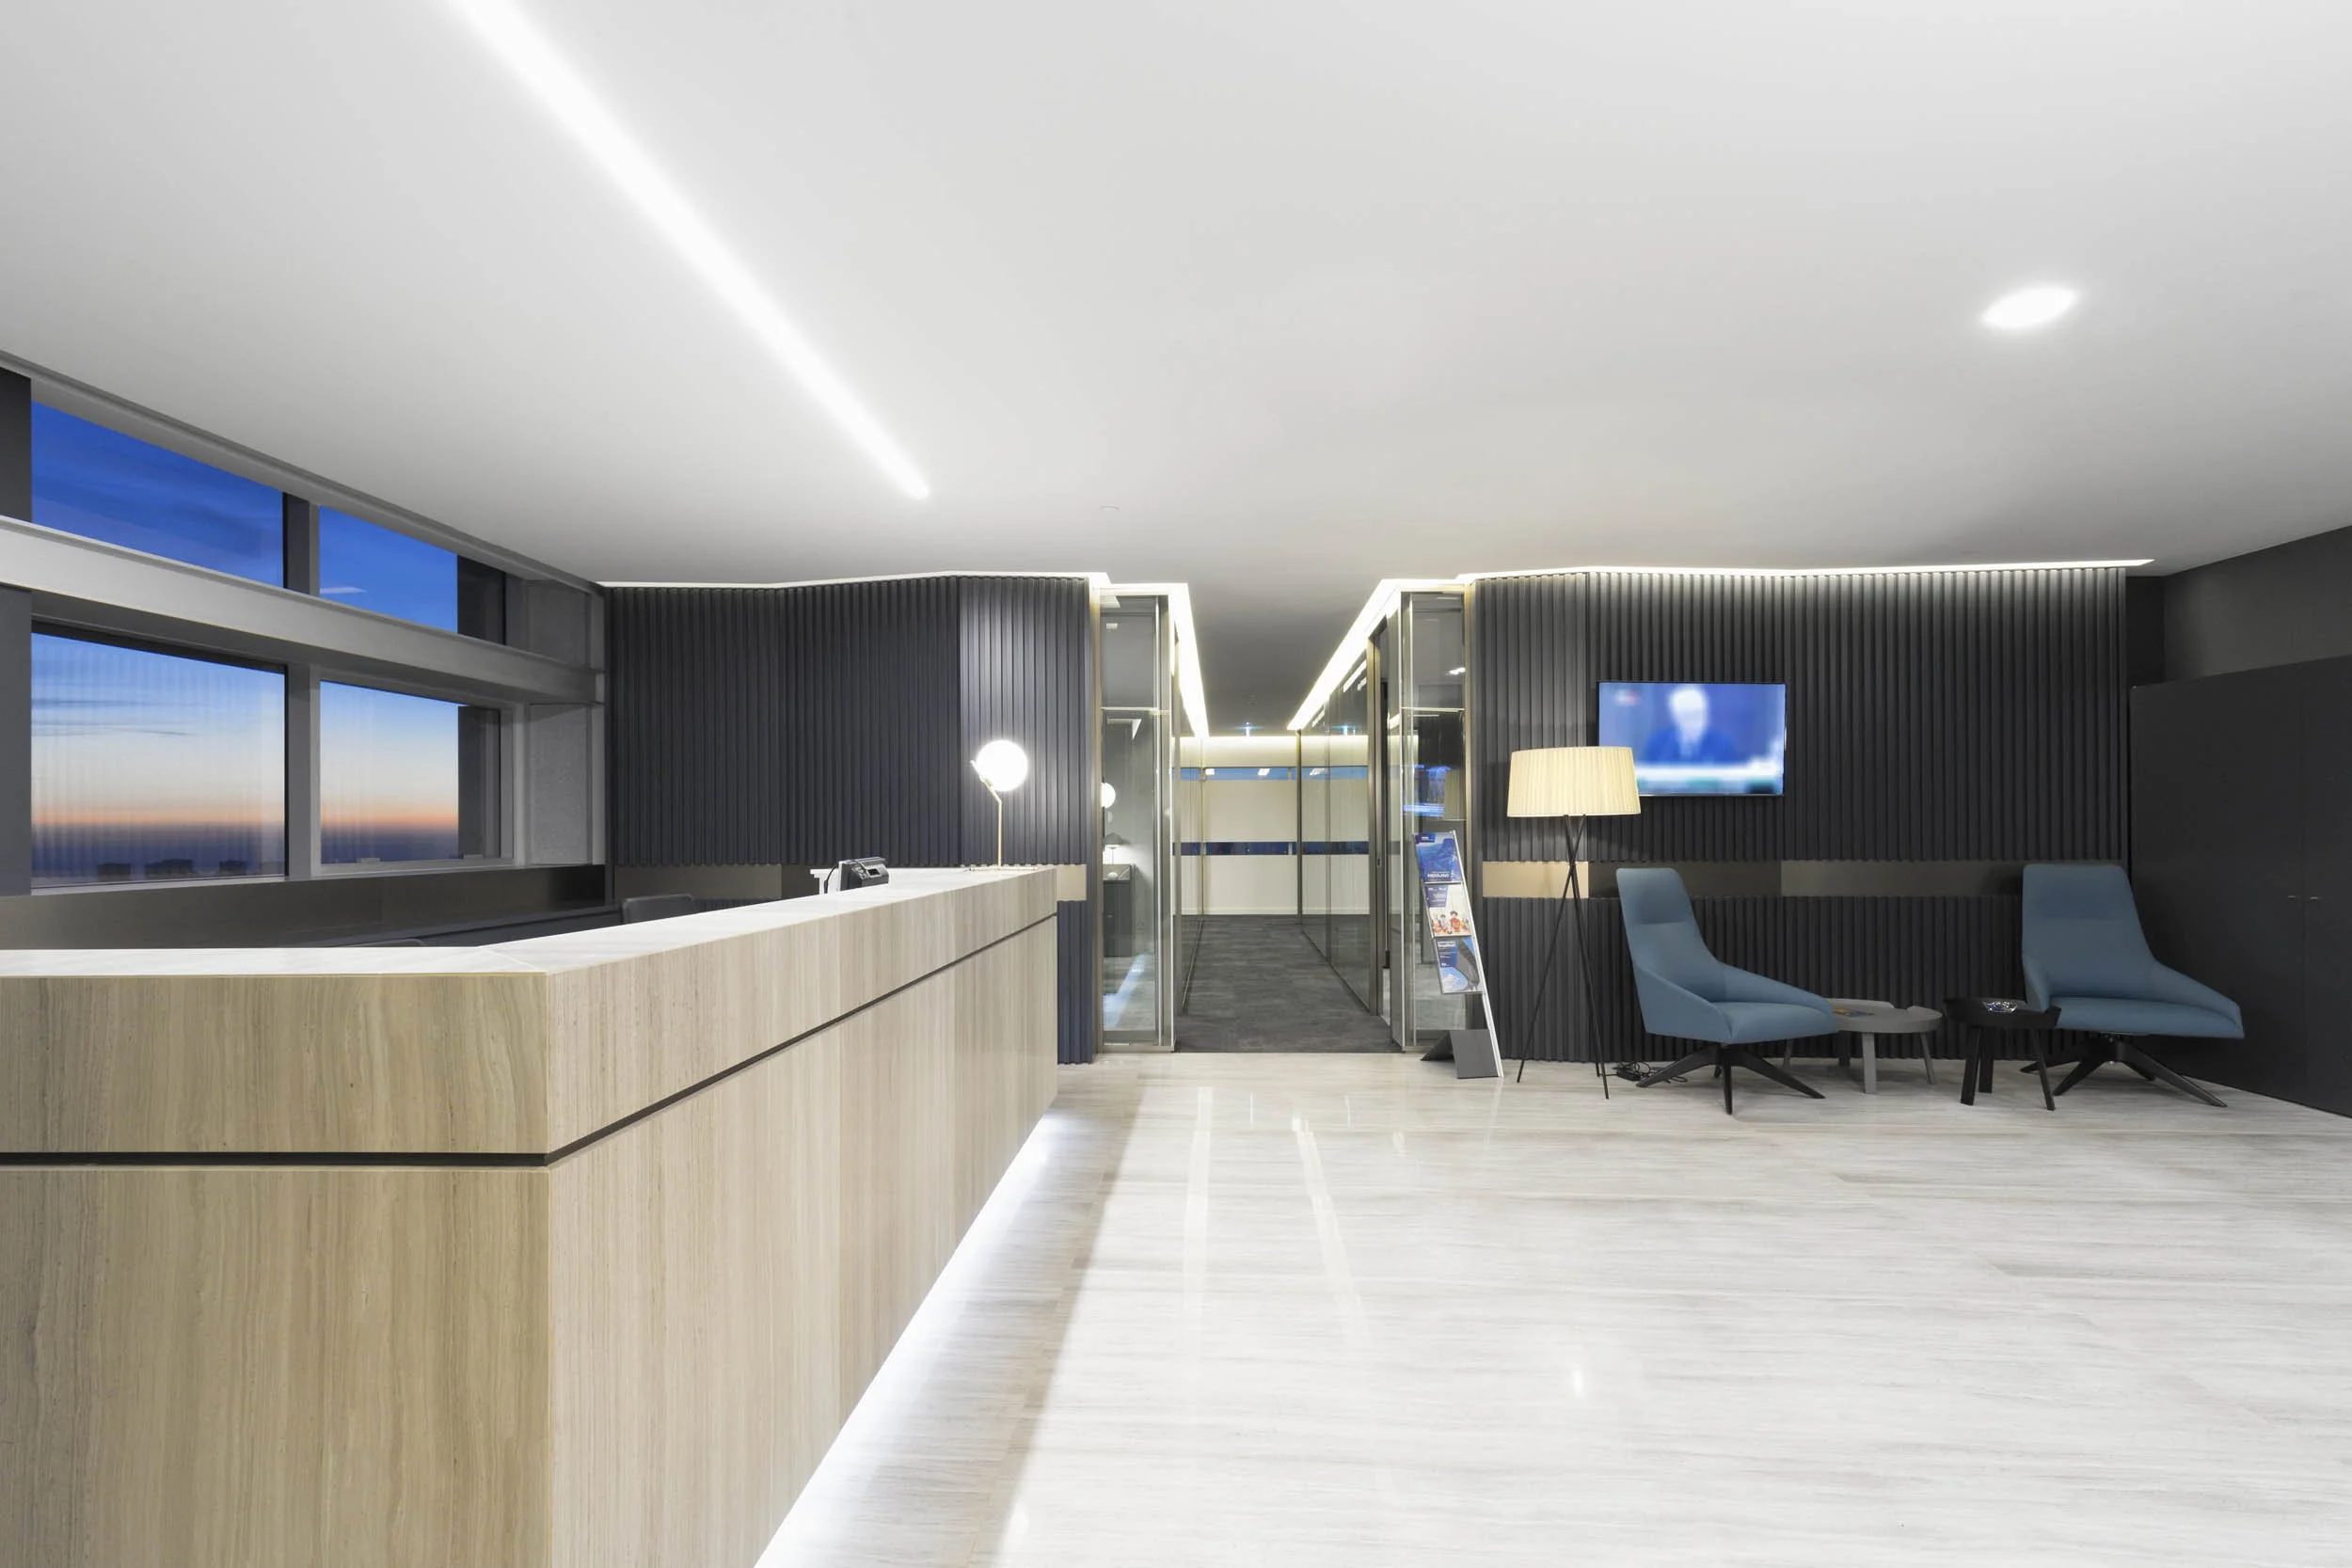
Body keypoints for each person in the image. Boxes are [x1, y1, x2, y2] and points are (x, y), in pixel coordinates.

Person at [1640, 685, 1742, 766]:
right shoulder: (1657, 744)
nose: (1695, 722)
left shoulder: (1723, 744)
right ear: (1675, 718)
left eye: (1699, 714)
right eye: (1688, 716)